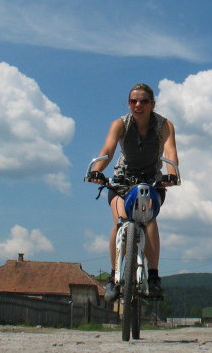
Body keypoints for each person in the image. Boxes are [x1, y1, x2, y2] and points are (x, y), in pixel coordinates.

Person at [87, 83, 179, 300]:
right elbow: (107, 151)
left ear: (152, 104)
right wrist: (96, 171)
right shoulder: (120, 124)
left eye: (144, 101)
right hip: (122, 180)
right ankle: (113, 277)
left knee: (149, 220)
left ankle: (154, 278)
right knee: (120, 222)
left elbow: (170, 152)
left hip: (151, 182)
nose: (138, 105)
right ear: (129, 104)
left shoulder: (163, 125)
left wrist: (172, 174)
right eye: (133, 101)